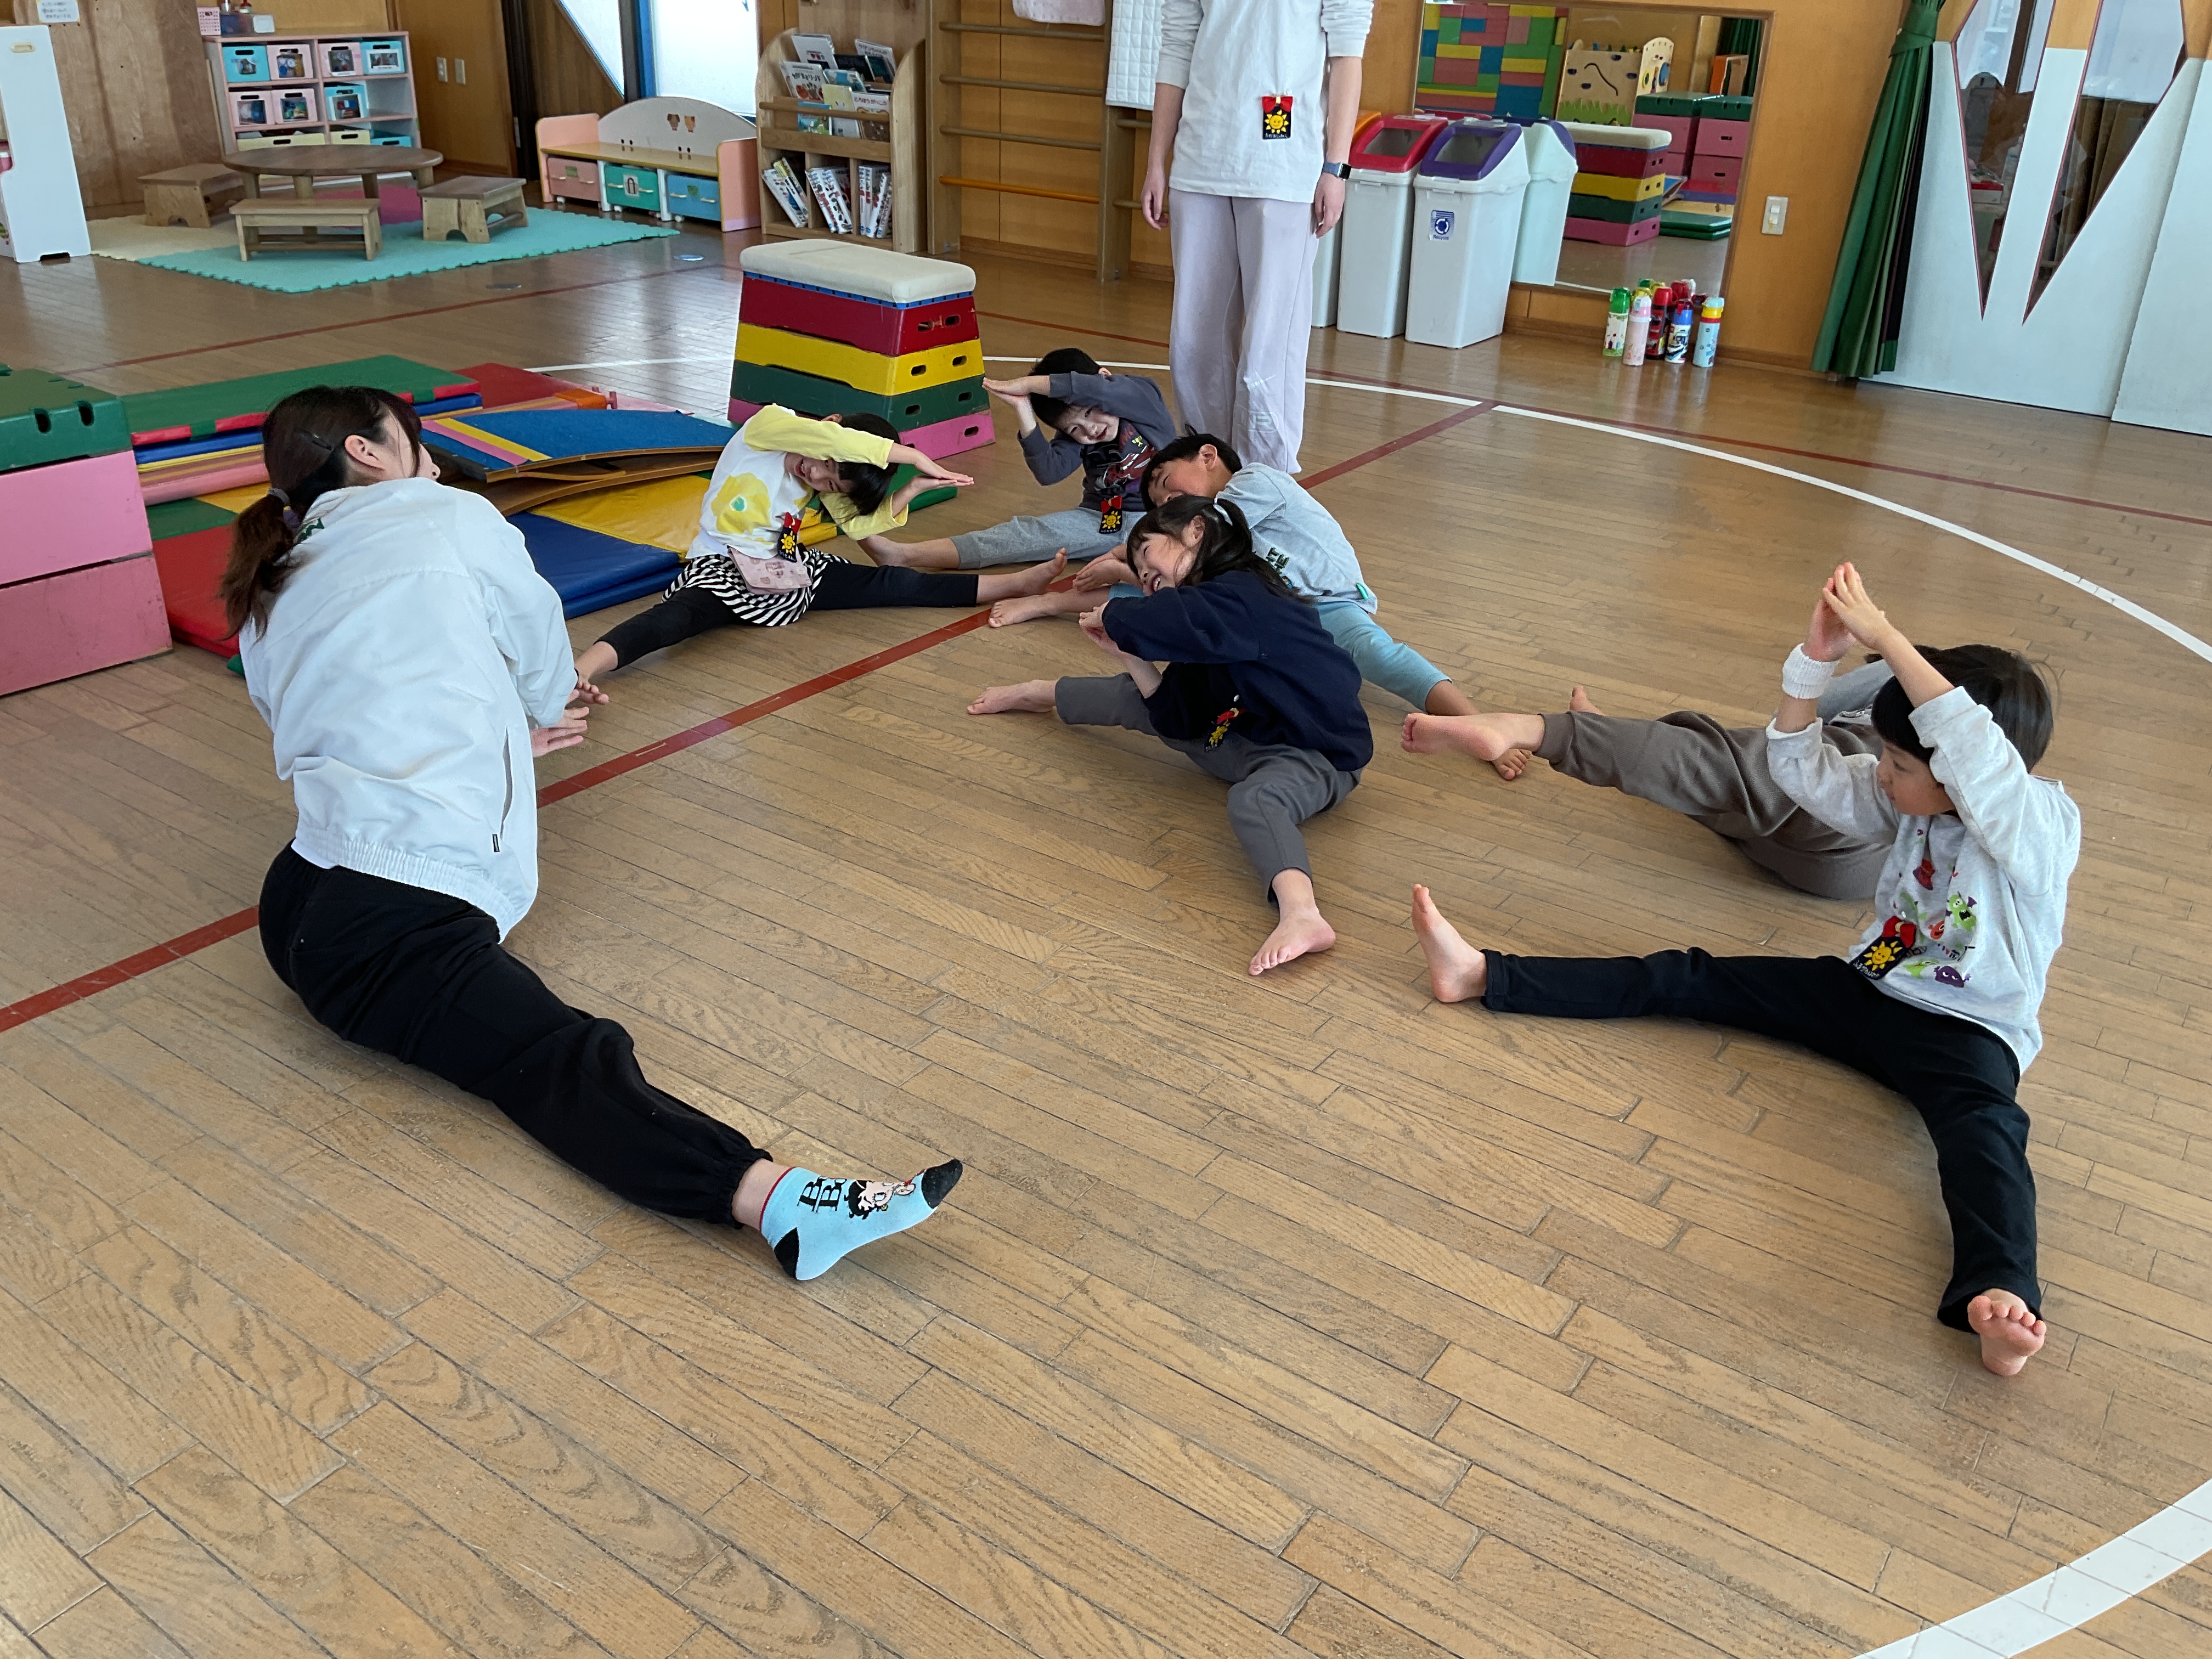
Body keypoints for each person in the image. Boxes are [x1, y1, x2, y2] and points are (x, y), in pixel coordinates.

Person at [227, 385, 960, 1282]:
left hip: (301, 894)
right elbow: (539, 637)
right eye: (410, 438)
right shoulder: (442, 515)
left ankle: (776, 1201)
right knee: (560, 1055)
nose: (426, 457)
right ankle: (783, 1206)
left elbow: (325, 709)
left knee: (532, 1042)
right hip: (388, 923)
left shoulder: (280, 570)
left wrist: (507, 733)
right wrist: (541, 703)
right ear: (365, 451)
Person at [1410, 565, 2078, 1378]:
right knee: (1688, 977)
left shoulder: (2039, 824)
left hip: (1970, 1032)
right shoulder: (1903, 797)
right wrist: (1815, 663)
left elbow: (1975, 754)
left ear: (1960, 769)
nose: (1883, 773)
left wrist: (1887, 637)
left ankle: (2001, 1296)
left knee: (1985, 1139)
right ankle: (1483, 975)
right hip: (1871, 987)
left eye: (1902, 764)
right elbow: (1794, 766)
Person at [969, 494, 1370, 975]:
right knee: (1136, 695)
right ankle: (1041, 692)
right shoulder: (1204, 623)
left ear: (1196, 531)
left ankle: (1302, 915)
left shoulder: (1242, 592)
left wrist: (1114, 616)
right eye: (1138, 574)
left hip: (1315, 755)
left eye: (1146, 556)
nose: (1145, 578)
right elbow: (1176, 720)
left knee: (1256, 801)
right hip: (1242, 735)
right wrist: (1129, 656)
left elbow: (1167, 616)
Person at [991, 433, 1529, 782]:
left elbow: (1215, 530)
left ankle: (1477, 723)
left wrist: (1122, 560)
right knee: (1153, 596)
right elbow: (1177, 584)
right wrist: (1135, 574)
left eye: (1166, 484)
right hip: (1265, 615)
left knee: (1378, 654)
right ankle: (1047, 602)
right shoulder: (1206, 552)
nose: (1164, 500)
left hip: (1325, 602)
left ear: (1208, 457)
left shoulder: (1254, 482)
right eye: (1157, 502)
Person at [572, 404, 1063, 684]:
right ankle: (582, 670)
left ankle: (1011, 585)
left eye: (831, 481)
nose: (818, 475)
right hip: (722, 566)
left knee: (891, 583)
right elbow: (841, 445)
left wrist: (910, 489)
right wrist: (912, 456)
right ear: (830, 427)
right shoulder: (767, 429)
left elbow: (857, 525)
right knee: (677, 619)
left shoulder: (820, 478)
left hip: (784, 568)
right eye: (825, 463)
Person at [1401, 662, 1900, 898]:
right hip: (1844, 870)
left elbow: (1790, 729)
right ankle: (1605, 737)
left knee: (1730, 767)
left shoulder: (1915, 683)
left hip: (1844, 821)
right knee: (1726, 786)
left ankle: (1537, 730)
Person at [1144, 0, 1372, 471]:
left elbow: (1347, 53)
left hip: (1284, 170)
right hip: (1200, 164)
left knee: (1269, 349)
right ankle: (1206, 473)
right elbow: (1177, 46)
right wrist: (1156, 161)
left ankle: (1267, 479)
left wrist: (1336, 168)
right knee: (1194, 345)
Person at [857, 348, 1175, 573]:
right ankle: (904, 555)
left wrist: (1028, 384)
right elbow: (1049, 473)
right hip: (1103, 518)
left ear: (1105, 381)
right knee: (1025, 535)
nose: (1090, 429)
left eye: (1091, 413)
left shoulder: (1141, 399)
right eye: (1075, 428)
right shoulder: (1077, 438)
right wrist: (1024, 410)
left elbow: (1094, 389)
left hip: (1165, 519)